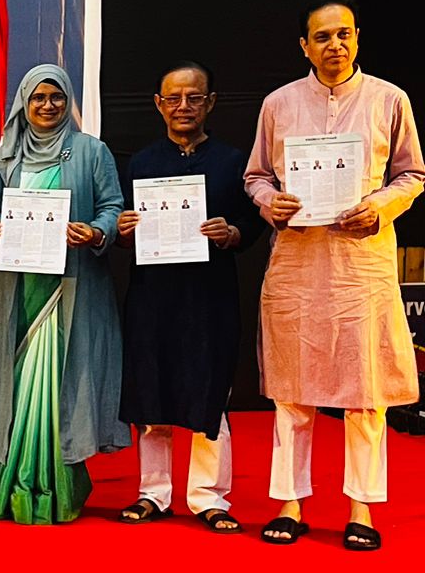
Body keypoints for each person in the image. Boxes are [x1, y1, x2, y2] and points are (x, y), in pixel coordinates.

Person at [246, 0, 422, 551]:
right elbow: (256, 176)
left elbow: (412, 174)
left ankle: (361, 508)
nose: (334, 45)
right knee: (291, 390)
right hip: (297, 265)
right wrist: (269, 202)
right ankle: (289, 502)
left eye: (343, 34)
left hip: (359, 266)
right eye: (322, 37)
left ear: (357, 38)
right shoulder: (278, 104)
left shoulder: (388, 99)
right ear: (305, 46)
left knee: (364, 390)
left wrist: (380, 206)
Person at [115, 61, 263, 532]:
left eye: (194, 97)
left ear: (210, 102)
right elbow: (122, 227)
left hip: (209, 297)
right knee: (151, 391)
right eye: (173, 98)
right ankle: (153, 493)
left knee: (209, 393)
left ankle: (208, 497)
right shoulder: (141, 163)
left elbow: (253, 223)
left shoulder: (233, 162)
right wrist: (123, 231)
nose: (183, 106)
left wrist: (233, 232)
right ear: (158, 104)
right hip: (152, 297)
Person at [0, 64, 127, 524]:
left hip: (71, 289)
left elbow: (112, 206)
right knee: (21, 382)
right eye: (38, 98)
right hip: (20, 290)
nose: (47, 105)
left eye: (56, 97)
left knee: (63, 382)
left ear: (67, 102)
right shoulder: (6, 158)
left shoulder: (91, 151)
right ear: (24, 102)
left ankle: (60, 487)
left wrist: (95, 231)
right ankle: (15, 484)